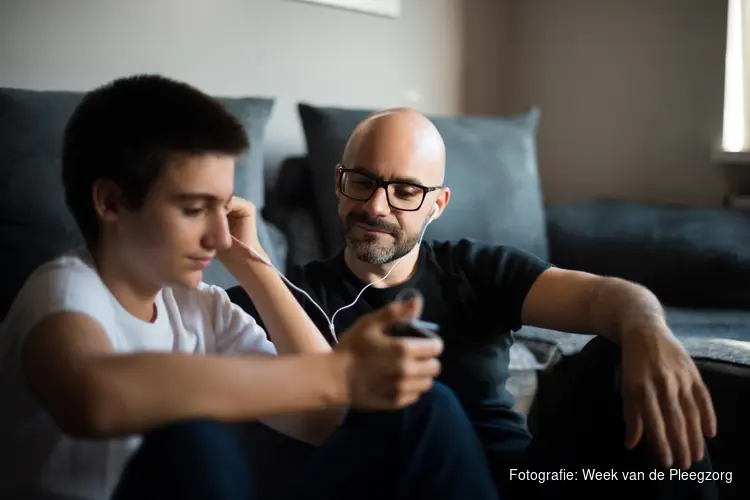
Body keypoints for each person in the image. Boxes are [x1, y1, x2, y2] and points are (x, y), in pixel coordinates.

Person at [0, 76, 503, 500]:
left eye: (223, 208)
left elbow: (326, 420)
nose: (220, 238)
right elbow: (95, 398)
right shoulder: (63, 294)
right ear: (110, 202)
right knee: (194, 440)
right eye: (195, 208)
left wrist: (255, 265)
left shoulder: (201, 308)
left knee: (425, 409)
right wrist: (338, 373)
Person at [228, 107, 722, 499]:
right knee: (418, 403)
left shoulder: (476, 269)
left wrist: (649, 332)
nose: (376, 207)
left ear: (437, 205)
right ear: (339, 185)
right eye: (362, 181)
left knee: (620, 355)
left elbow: (604, 297)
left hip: (530, 484)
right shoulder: (286, 301)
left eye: (404, 190)